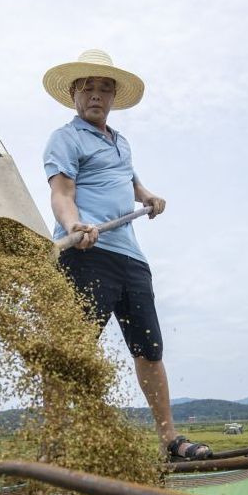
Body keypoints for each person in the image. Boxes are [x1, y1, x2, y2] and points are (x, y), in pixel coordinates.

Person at [41, 48, 211, 462]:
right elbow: (61, 193)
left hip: (130, 258)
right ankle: (54, 449)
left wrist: (146, 194)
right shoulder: (66, 138)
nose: (96, 95)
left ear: (113, 97)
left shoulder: (121, 142)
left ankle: (168, 439)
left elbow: (125, 177)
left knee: (149, 349)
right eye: (88, 88)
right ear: (75, 95)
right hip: (86, 252)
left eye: (104, 88)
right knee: (70, 351)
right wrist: (75, 224)